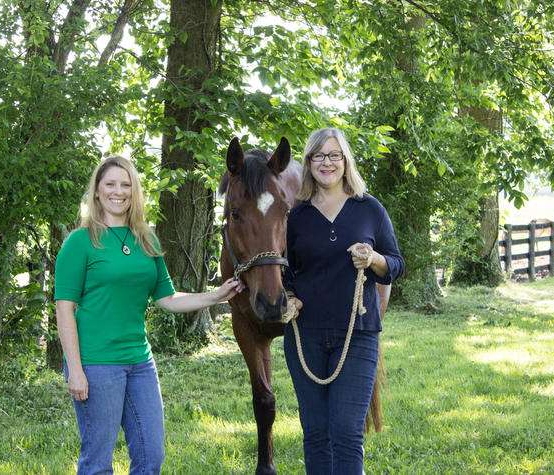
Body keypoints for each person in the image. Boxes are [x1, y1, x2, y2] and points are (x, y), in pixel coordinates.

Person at [54, 155, 243, 475]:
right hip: (97, 363)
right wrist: (75, 369)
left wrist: (216, 295)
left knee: (150, 457)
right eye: (110, 184)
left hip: (140, 362)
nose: (118, 191)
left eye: (125, 184)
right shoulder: (80, 242)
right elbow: (64, 309)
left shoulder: (146, 239)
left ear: (134, 191)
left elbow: (167, 298)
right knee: (98, 462)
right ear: (97, 192)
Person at [282, 127, 404, 474]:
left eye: (334, 155)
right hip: (305, 336)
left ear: (346, 160)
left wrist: (375, 259)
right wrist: (289, 295)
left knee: (347, 434)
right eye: (318, 156)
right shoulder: (296, 216)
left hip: (358, 336)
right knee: (316, 433)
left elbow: (396, 264)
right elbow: (285, 271)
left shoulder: (370, 209)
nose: (327, 162)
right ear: (308, 164)